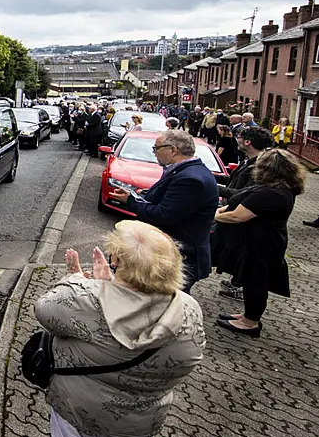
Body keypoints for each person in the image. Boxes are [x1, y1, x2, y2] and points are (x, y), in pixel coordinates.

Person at [35, 221, 205, 437]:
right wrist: (110, 286)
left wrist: (80, 280)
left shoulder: (88, 300)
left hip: (80, 409)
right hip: (139, 423)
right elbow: (190, 358)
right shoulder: (189, 310)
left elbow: (44, 308)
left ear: (116, 261)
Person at [109, 130, 219, 293]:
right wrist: (143, 194)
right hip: (174, 250)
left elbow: (163, 215)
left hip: (179, 255)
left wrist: (130, 201)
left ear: (173, 150)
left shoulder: (190, 179)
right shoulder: (184, 170)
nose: (154, 153)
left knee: (166, 302)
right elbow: (171, 200)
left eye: (156, 148)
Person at [212, 149, 305, 337]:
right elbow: (236, 206)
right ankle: (247, 316)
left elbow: (238, 216)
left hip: (263, 245)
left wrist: (212, 216)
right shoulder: (273, 188)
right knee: (249, 278)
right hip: (255, 242)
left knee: (256, 281)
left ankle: (251, 322)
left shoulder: (274, 193)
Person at [213, 127, 275, 299]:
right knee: (237, 251)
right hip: (233, 210)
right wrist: (212, 176)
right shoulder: (250, 161)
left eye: (239, 137)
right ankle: (236, 281)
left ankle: (240, 286)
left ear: (248, 142)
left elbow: (244, 194)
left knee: (243, 253)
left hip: (243, 216)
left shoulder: (261, 166)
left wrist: (213, 187)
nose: (237, 139)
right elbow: (234, 180)